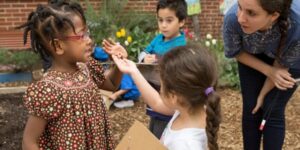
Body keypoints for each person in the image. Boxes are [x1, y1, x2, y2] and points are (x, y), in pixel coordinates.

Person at [18, 1, 127, 149]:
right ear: (58, 46)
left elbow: (112, 85)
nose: (89, 40)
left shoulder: (86, 68)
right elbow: (29, 141)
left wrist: (118, 63)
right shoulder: (48, 90)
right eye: (81, 36)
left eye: (87, 33)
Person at [108, 44, 221, 150]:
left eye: (161, 84)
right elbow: (156, 102)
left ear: (173, 96)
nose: (160, 89)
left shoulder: (185, 145)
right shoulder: (191, 109)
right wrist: (133, 71)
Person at [223, 0, 300, 149]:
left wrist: (262, 95)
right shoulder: (232, 18)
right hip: (251, 54)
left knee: (272, 108)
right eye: (240, 7)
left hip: (290, 59)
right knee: (252, 107)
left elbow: (281, 65)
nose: (240, 18)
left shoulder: (297, 24)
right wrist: (269, 71)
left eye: (251, 13)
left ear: (273, 16)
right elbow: (235, 52)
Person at [137, 0, 187, 139]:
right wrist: (144, 58)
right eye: (160, 20)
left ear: (181, 21)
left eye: (169, 20)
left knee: (163, 132)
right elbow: (144, 53)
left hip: (169, 98)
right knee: (154, 126)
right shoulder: (158, 39)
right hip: (154, 92)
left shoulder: (180, 45)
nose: (163, 25)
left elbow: (177, 68)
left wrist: (157, 59)